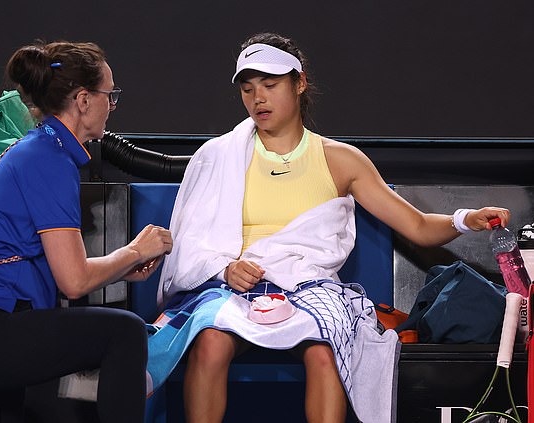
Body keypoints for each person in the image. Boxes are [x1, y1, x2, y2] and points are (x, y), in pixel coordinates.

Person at [154, 33, 510, 423]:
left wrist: (465, 219)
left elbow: (419, 226)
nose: (258, 99)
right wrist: (224, 269)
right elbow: (190, 243)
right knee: (209, 343)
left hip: (309, 286)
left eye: (270, 86)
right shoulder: (217, 156)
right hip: (234, 288)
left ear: (300, 83)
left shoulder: (341, 160)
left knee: (325, 351)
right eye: (248, 89)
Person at [0, 40, 172, 423]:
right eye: (111, 95)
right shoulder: (49, 158)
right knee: (124, 332)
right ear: (84, 99)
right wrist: (136, 251)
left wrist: (122, 265)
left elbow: (60, 265)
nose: (113, 105)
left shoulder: (41, 149)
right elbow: (73, 281)